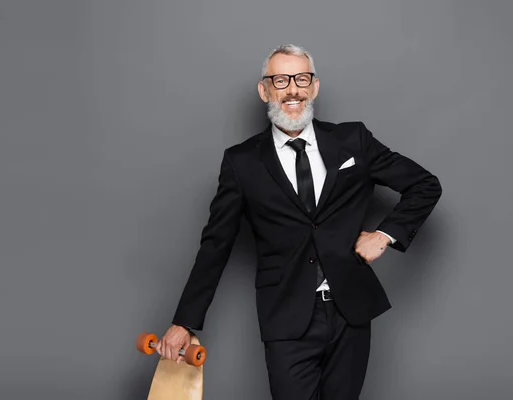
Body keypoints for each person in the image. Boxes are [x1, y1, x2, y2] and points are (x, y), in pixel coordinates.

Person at [156, 44, 442, 399]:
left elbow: (425, 185)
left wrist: (384, 234)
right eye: (280, 79)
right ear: (265, 90)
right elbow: (215, 246)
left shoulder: (353, 140)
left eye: (301, 78)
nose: (292, 89)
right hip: (285, 315)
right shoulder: (241, 162)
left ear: (314, 86)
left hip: (350, 311)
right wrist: (184, 321)